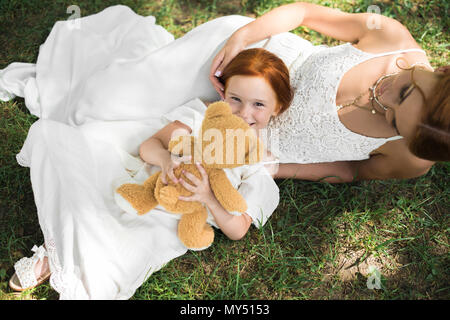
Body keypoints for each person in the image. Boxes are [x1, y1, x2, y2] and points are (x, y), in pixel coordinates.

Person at [8, 48, 290, 299]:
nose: (243, 112)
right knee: (54, 141)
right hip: (141, 183)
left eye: (259, 104)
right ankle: (60, 241)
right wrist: (168, 162)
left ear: (277, 107)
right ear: (223, 94)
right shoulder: (204, 116)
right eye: (235, 99)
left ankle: (72, 253)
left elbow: (238, 229)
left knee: (115, 260)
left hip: (170, 220)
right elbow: (149, 146)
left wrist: (207, 196)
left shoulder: (259, 162)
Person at [208, 2, 450, 182]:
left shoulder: (412, 159)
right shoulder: (390, 38)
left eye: (394, 121)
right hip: (257, 65)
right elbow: (304, 13)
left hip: (254, 145)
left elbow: (350, 170)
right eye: (404, 92)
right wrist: (242, 37)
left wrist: (272, 167)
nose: (385, 100)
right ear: (443, 70)